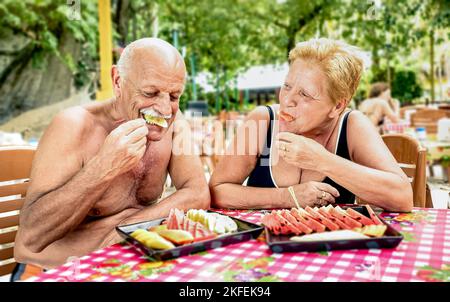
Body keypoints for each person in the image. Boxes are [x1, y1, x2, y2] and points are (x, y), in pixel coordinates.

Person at [13, 38, 210, 277]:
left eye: (174, 96)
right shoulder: (74, 125)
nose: (165, 109)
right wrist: (103, 167)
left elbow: (197, 193)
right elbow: (30, 238)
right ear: (118, 81)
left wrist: (125, 230)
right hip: (55, 270)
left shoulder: (173, 124)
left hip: (126, 265)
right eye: (150, 92)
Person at [209, 38, 412, 213]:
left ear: (337, 106)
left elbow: (402, 197)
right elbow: (218, 190)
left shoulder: (352, 125)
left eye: (304, 94)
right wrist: (287, 197)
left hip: (333, 251)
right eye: (287, 86)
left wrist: (321, 160)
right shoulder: (263, 121)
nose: (287, 100)